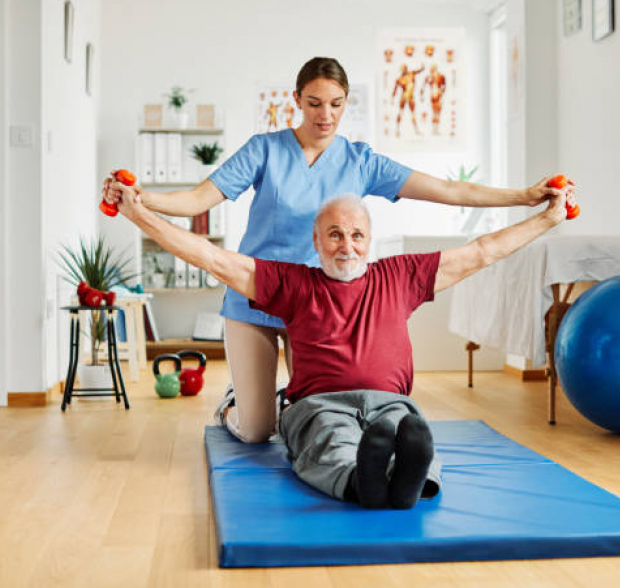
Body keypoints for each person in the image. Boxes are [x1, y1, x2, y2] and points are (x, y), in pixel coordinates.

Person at [101, 56, 572, 445]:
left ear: (347, 104)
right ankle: (235, 404)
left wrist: (524, 196)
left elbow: (450, 190)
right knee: (257, 431)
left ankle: (282, 408)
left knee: (322, 413)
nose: (325, 115)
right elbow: (198, 199)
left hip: (317, 307)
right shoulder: (264, 150)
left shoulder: (361, 161)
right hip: (256, 297)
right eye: (314, 103)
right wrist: (144, 199)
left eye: (336, 104)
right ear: (296, 101)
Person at [111, 179, 573, 509]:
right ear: (316, 240)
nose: (346, 245)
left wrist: (548, 217)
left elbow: (483, 250)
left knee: (407, 434)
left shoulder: (401, 275)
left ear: (369, 241)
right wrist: (138, 213)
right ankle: (362, 483)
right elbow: (209, 256)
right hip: (319, 405)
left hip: (390, 403)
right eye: (334, 234)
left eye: (355, 235)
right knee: (330, 441)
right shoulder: (292, 283)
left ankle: (401, 481)